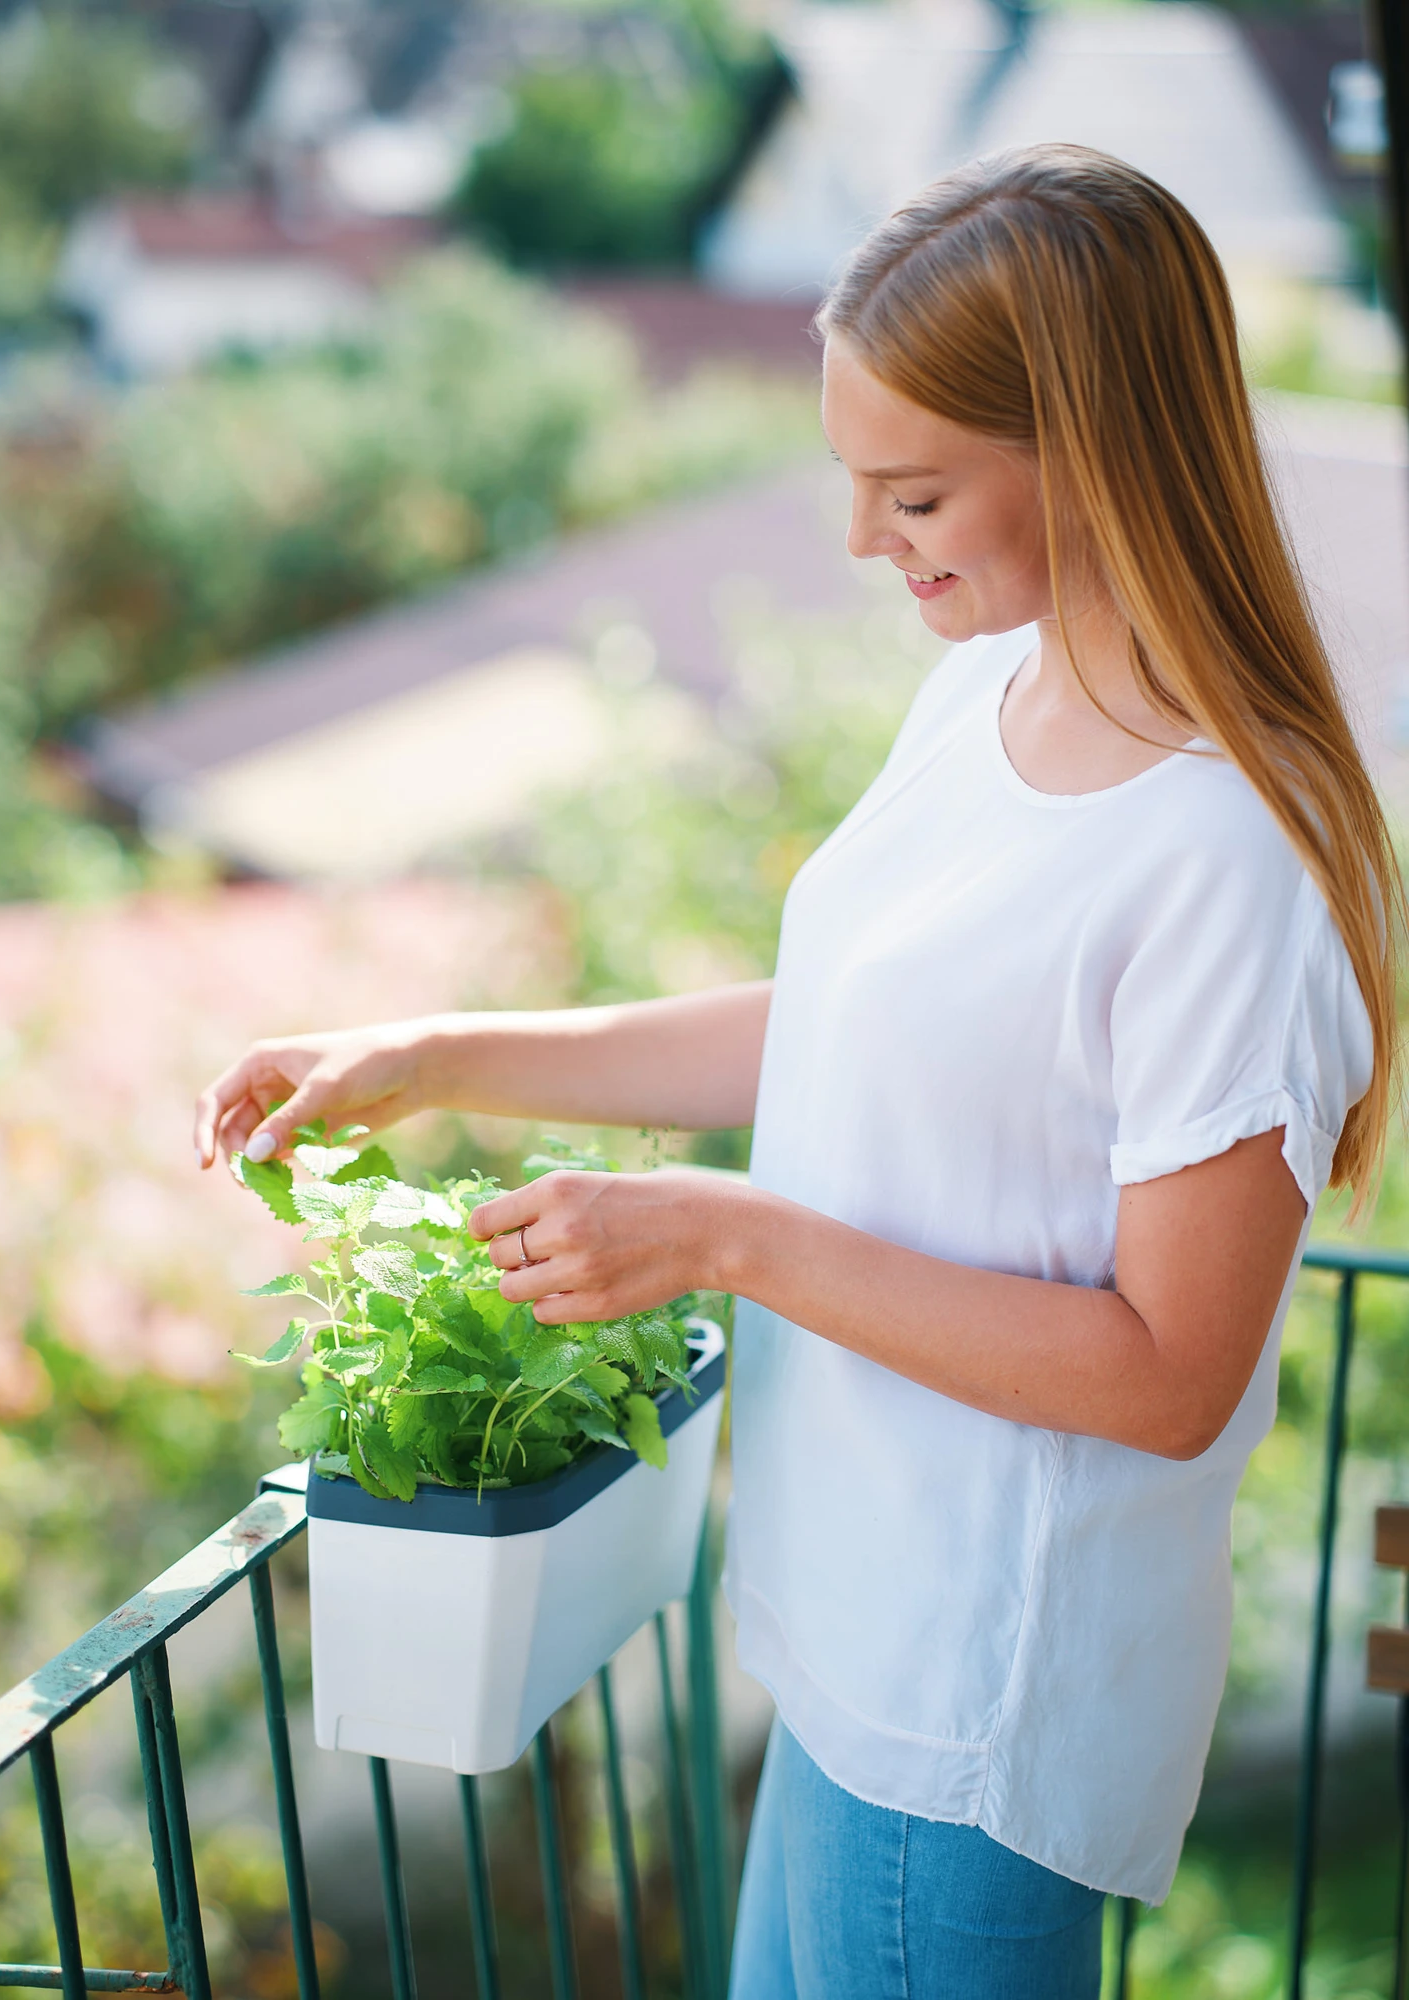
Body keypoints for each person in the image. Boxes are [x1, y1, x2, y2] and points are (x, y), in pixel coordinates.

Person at [194, 144, 1400, 2000]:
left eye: (912, 491)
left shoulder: (1224, 855)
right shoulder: (984, 690)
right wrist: (434, 1057)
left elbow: (1173, 1376)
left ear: (1092, 453)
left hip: (967, 1715)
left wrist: (729, 1238)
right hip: (846, 1641)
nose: (863, 541)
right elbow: (841, 1012)